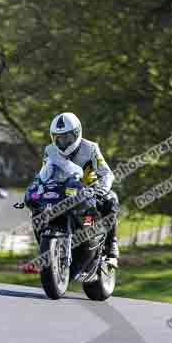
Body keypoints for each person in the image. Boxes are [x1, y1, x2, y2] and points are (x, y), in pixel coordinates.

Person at [40, 112, 119, 261]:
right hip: (61, 190)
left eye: (67, 138)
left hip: (88, 190)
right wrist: (38, 187)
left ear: (77, 133)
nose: (62, 142)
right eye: (58, 138)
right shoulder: (49, 150)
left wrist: (102, 188)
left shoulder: (91, 148)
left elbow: (107, 173)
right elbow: (44, 174)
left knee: (111, 199)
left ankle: (111, 243)